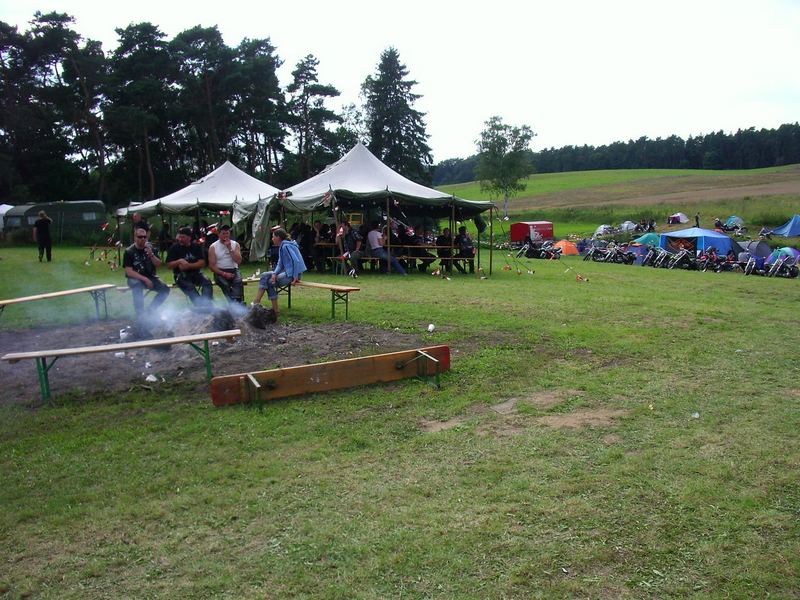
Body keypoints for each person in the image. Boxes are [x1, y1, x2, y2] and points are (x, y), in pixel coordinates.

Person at [253, 227, 307, 317]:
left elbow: (295, 261)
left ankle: (274, 310)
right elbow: (280, 263)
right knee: (264, 275)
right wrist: (274, 274)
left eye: (273, 236)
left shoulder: (286, 246)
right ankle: (257, 302)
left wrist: (295, 277)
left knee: (269, 283)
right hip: (287, 272)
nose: (272, 239)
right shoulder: (282, 246)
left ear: (278, 237)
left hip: (294, 274)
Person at [123, 226, 170, 316]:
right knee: (137, 286)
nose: (143, 239)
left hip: (150, 276)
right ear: (135, 238)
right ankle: (140, 315)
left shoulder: (150, 248)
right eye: (140, 237)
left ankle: (151, 310)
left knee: (165, 289)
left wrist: (151, 255)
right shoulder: (129, 251)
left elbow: (158, 264)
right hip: (135, 278)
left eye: (144, 237)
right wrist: (145, 279)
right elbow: (129, 271)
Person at [166, 226, 213, 308]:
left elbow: (202, 263)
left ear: (189, 238)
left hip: (196, 274)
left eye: (183, 237)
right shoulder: (174, 248)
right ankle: (201, 306)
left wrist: (188, 266)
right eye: (179, 237)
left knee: (207, 282)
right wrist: (179, 261)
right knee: (190, 287)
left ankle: (206, 304)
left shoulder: (196, 247)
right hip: (181, 276)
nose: (180, 239)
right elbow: (169, 265)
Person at [208, 225, 243, 303]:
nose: (225, 236)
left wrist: (230, 248)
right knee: (225, 284)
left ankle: (237, 303)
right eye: (223, 234)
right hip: (220, 271)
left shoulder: (235, 245)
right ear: (219, 234)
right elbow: (212, 266)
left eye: (227, 233)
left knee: (238, 282)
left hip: (233, 270)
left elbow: (238, 261)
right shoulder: (213, 247)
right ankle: (233, 303)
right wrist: (224, 274)